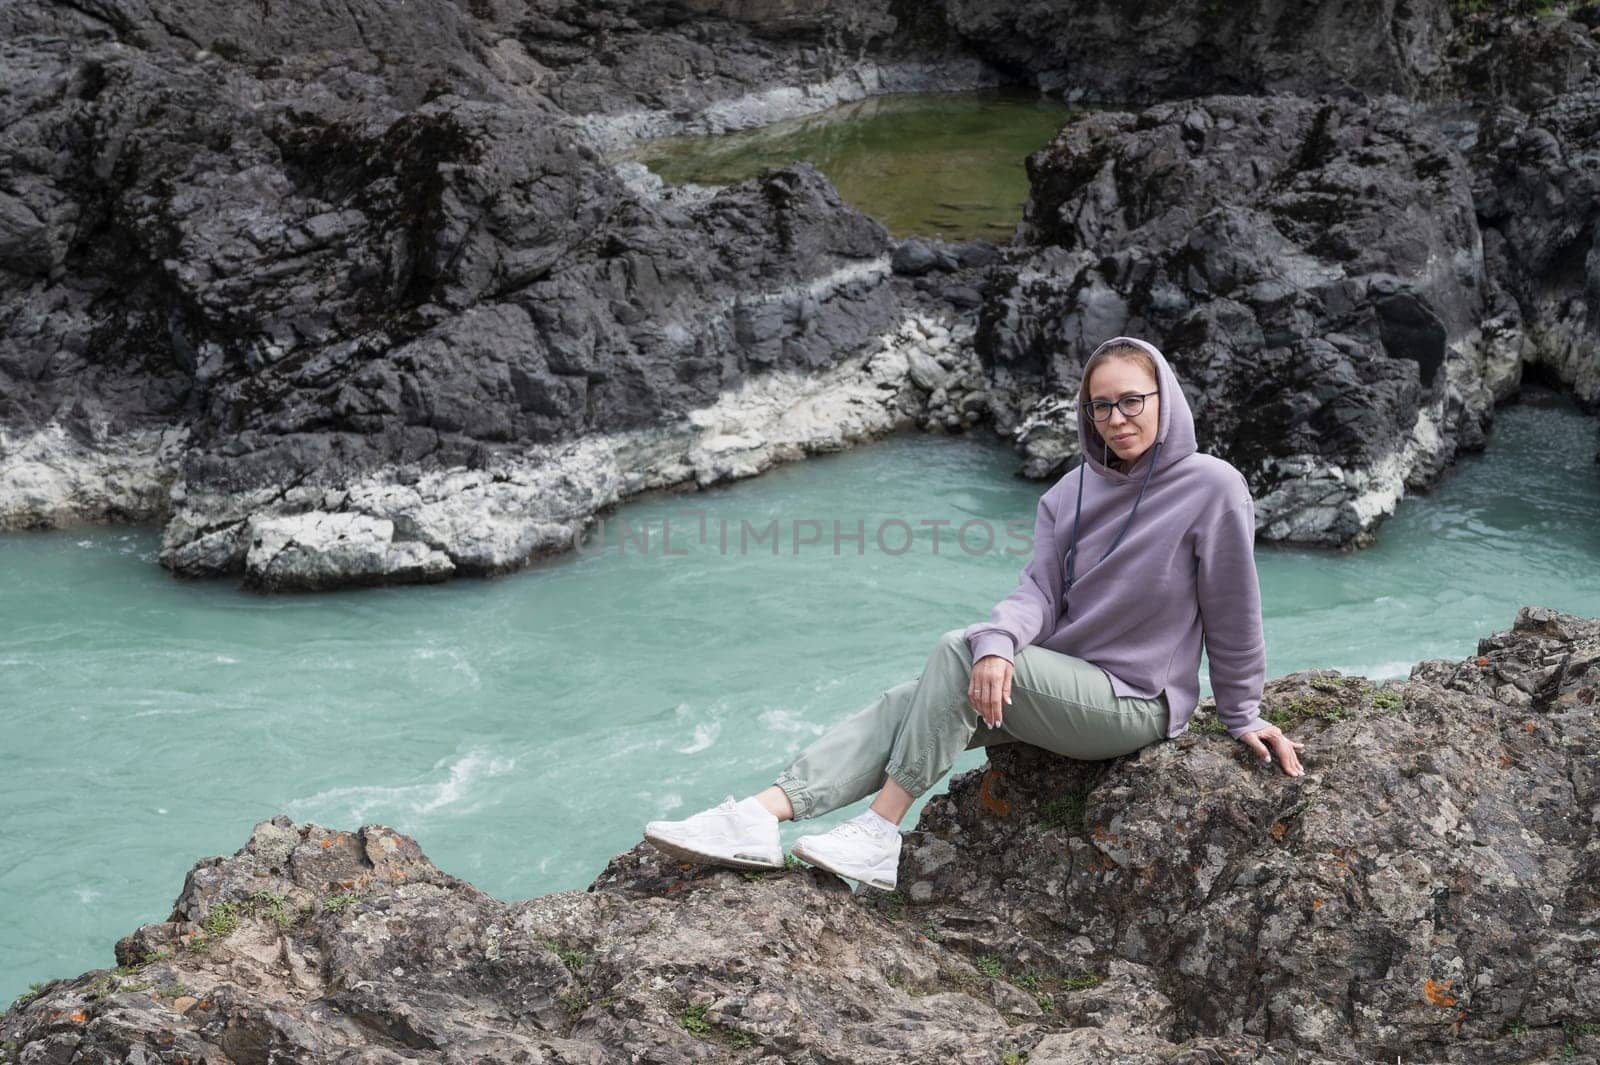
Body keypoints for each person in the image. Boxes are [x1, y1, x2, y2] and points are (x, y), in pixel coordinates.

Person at [642, 336, 1305, 891]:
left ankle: (879, 831)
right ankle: (761, 815)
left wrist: (1243, 712)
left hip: (1134, 701)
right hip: (1058, 686)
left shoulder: (1214, 487)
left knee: (959, 651)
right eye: (1101, 405)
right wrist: (1000, 641)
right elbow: (1037, 594)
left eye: (1132, 399)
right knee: (910, 697)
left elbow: (1234, 609)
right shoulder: (1069, 492)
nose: (1117, 417)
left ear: (1164, 398)